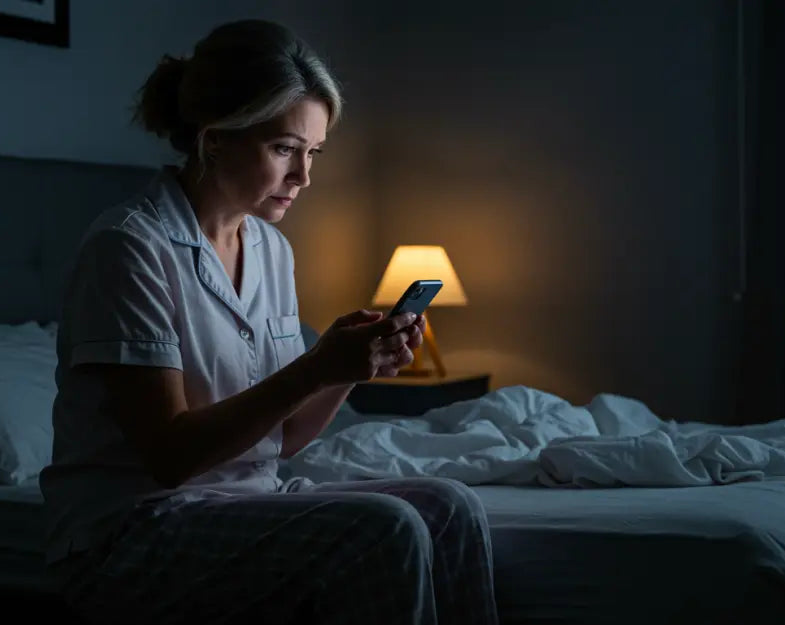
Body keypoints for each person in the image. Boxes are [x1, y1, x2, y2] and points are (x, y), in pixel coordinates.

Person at [40, 19, 498, 625]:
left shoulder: (270, 249)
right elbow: (170, 458)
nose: (304, 177)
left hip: (245, 503)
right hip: (135, 528)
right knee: (382, 530)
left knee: (451, 504)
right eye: (285, 149)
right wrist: (313, 368)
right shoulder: (130, 248)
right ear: (215, 139)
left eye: (312, 153)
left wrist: (350, 369)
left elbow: (280, 441)